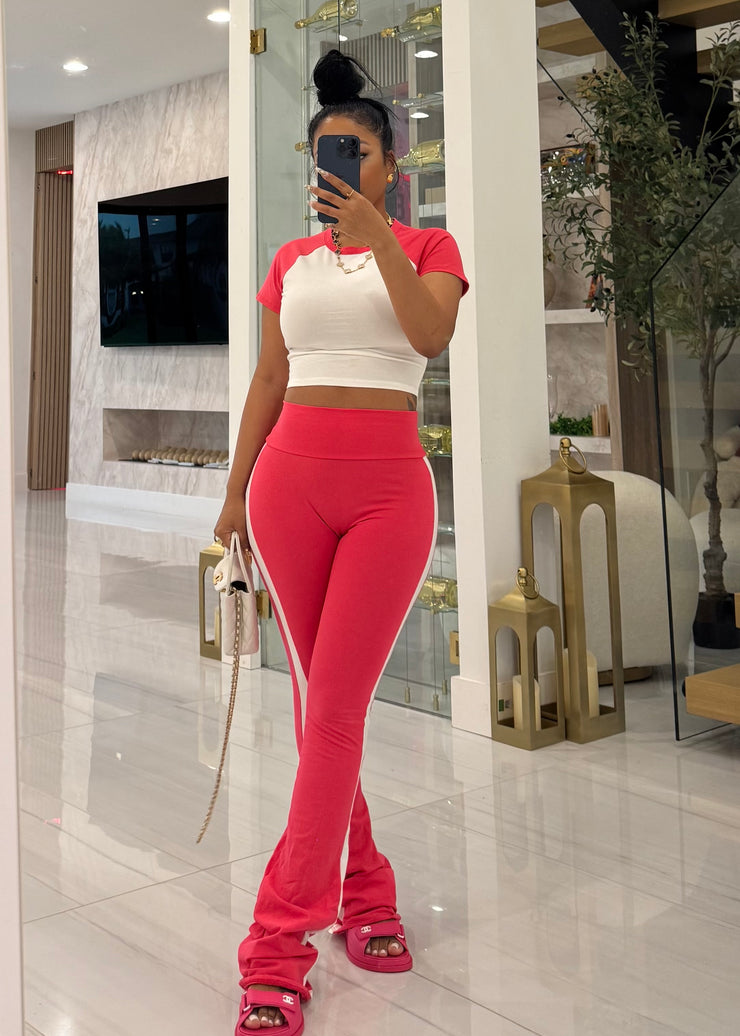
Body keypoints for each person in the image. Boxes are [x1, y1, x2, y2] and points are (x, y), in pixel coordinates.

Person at [215, 49, 468, 1036]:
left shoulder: (430, 246)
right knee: (318, 709)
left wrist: (379, 242)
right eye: (326, 152)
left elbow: (429, 337)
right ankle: (364, 893)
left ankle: (275, 946)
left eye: (355, 151)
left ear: (388, 165)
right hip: (287, 486)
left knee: (334, 712)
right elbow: (269, 380)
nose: (338, 166)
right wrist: (233, 492)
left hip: (386, 492)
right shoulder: (290, 262)